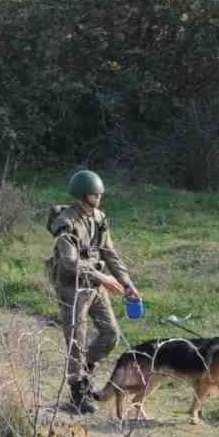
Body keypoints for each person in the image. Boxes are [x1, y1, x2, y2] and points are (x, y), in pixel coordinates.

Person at [46, 169, 141, 415]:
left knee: (111, 334)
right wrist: (102, 277)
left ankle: (84, 372)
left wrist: (127, 284)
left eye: (99, 193)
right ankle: (78, 392)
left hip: (96, 286)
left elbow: (109, 253)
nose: (99, 196)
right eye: (94, 193)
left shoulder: (99, 218)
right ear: (82, 195)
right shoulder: (65, 222)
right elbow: (69, 262)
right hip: (72, 287)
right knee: (76, 340)